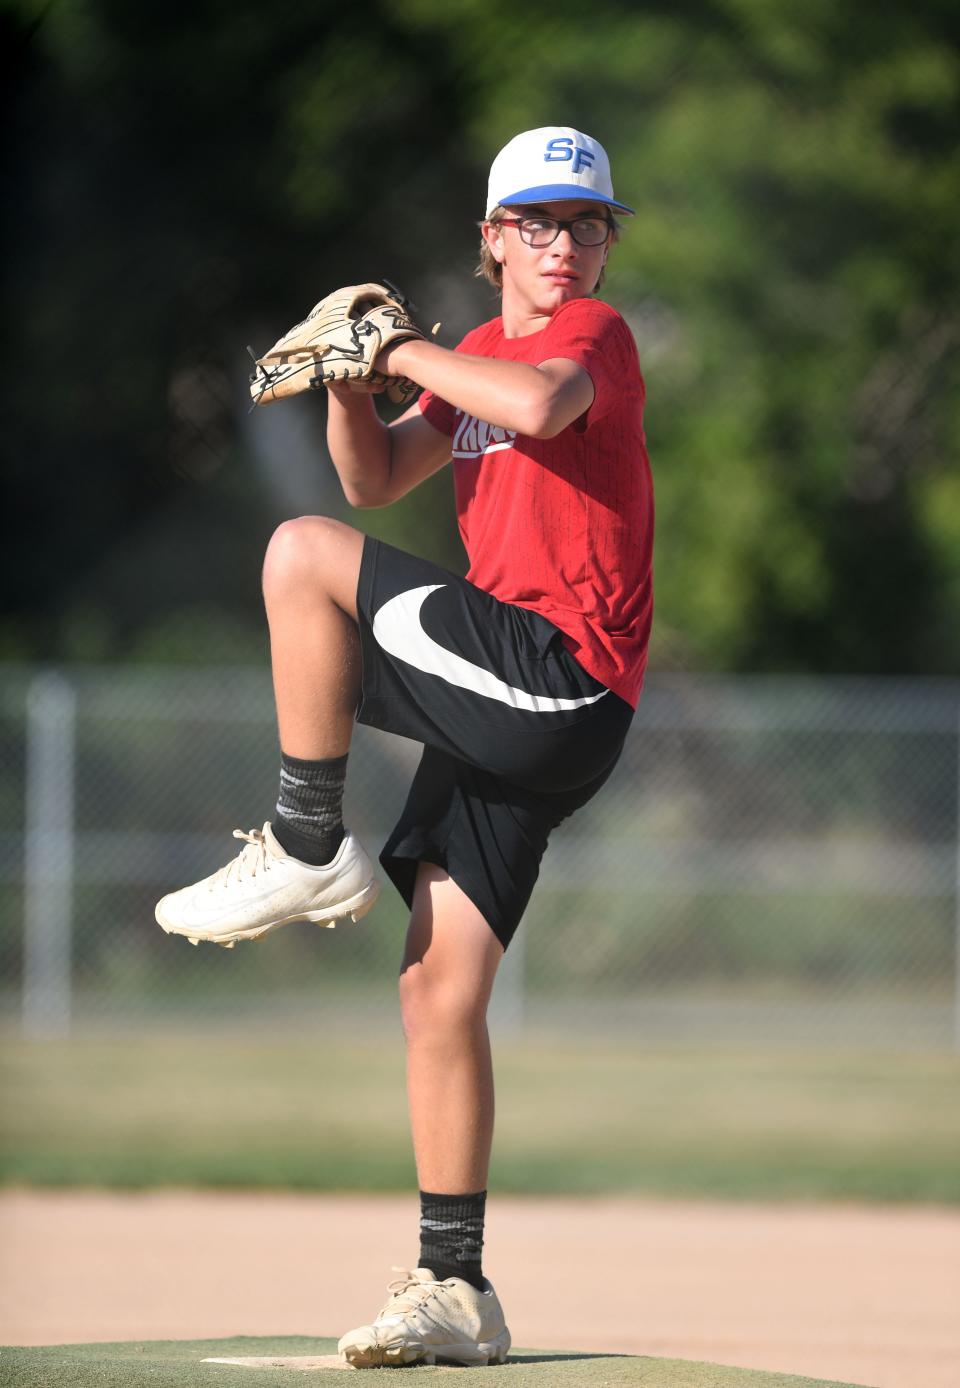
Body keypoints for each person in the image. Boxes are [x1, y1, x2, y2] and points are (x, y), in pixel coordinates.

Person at [155, 125, 654, 1368]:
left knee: (297, 556)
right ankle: (455, 1285)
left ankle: (307, 836)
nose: (562, 243)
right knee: (436, 986)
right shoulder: (475, 353)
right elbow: (377, 476)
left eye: (585, 223)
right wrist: (347, 377)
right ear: (491, 241)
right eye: (535, 222)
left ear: (604, 244)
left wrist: (398, 344)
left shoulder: (589, 339)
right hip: (510, 695)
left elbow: (535, 405)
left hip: (560, 673)